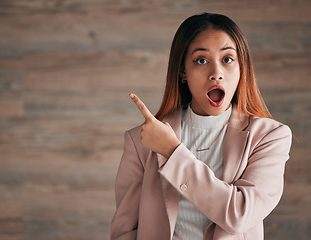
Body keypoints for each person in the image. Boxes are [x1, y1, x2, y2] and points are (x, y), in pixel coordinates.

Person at [110, 13, 292, 240]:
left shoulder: (270, 137)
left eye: (227, 59)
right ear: (183, 71)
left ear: (241, 68)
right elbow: (124, 231)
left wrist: (173, 152)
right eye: (201, 60)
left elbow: (239, 216)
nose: (216, 73)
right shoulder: (142, 141)